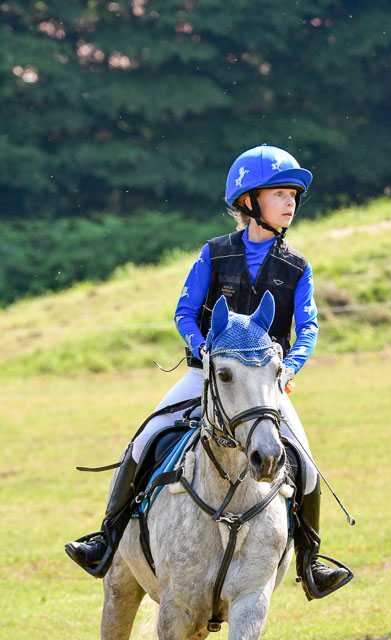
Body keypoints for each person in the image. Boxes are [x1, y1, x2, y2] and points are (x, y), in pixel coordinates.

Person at [65, 144, 352, 599]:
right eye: (280, 193)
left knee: (307, 466)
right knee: (143, 442)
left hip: (262, 384)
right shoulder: (214, 253)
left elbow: (309, 328)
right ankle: (106, 539)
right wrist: (204, 349)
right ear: (248, 202)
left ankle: (311, 562)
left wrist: (289, 367)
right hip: (204, 376)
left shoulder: (297, 267)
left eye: (294, 194)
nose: (291, 202)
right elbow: (184, 311)